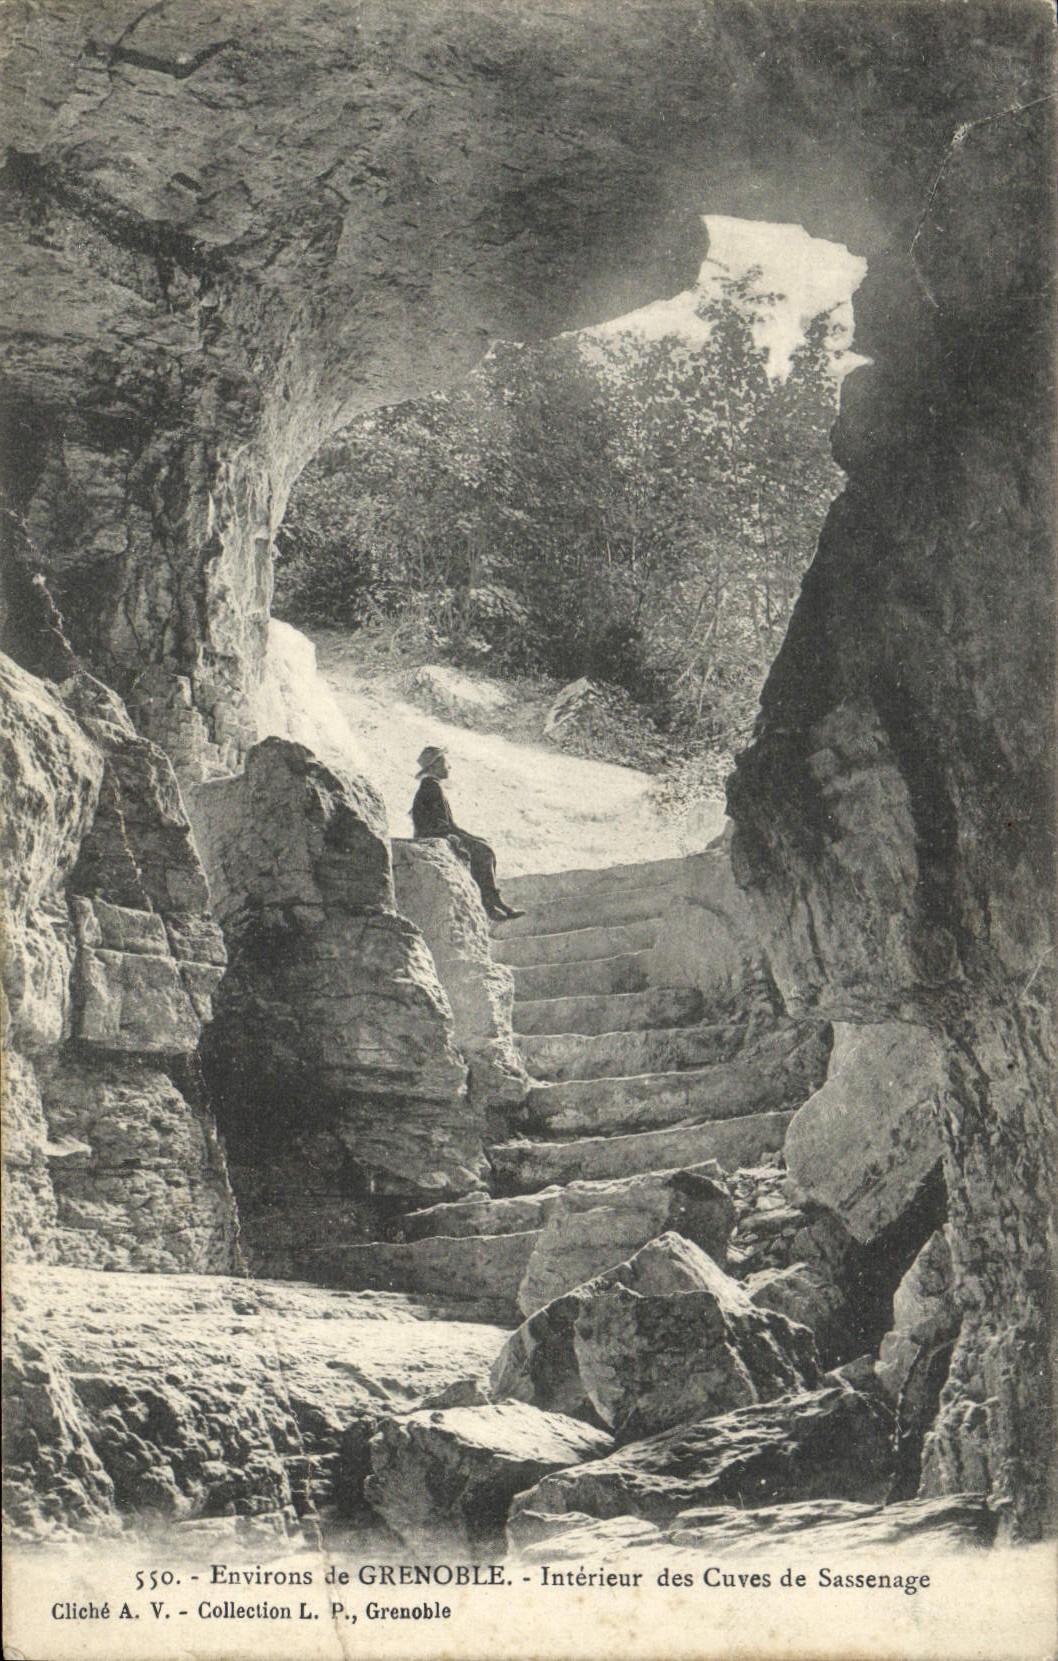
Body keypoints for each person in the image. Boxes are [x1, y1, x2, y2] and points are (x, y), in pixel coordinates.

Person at [411, 745, 525, 922]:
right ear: (434, 766)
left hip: (440, 833)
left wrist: (473, 838)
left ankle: (492, 903)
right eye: (445, 763)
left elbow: (447, 823)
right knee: (483, 853)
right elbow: (436, 824)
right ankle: (491, 903)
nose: (449, 767)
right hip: (436, 835)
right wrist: (454, 838)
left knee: (483, 846)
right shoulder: (431, 787)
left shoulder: (431, 786)